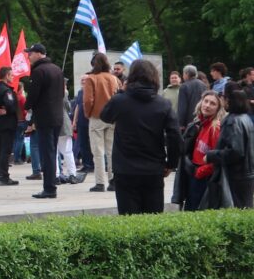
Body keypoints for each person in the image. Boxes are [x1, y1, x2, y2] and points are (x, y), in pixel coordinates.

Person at [100, 59, 182, 215]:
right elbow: (175, 136)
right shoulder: (163, 104)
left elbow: (105, 116)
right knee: (153, 218)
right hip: (153, 167)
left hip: (125, 167)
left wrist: (121, 92)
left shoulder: (120, 101)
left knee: (129, 218)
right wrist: (171, 163)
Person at [172, 91, 224, 211]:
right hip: (194, 174)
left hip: (204, 178)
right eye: (206, 101)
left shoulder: (215, 128)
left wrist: (199, 172)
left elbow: (217, 158)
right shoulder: (199, 124)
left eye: (212, 103)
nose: (207, 105)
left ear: (218, 109)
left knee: (195, 211)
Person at [24, 43, 64, 199]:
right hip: (57, 116)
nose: (28, 56)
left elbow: (33, 95)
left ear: (39, 53)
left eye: (30, 53)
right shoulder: (57, 69)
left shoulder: (39, 71)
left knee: (46, 153)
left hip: (45, 117)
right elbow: (61, 93)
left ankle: (49, 188)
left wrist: (27, 107)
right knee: (51, 152)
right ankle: (51, 185)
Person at [205, 88, 254, 208]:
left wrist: (211, 155)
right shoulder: (245, 118)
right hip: (247, 174)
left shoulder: (233, 121)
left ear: (229, 101)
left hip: (236, 175)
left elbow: (236, 151)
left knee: (236, 209)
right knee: (245, 208)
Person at [82, 52, 121, 192]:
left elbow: (88, 100)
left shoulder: (91, 79)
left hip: (97, 117)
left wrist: (88, 114)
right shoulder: (114, 78)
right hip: (113, 118)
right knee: (111, 151)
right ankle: (113, 180)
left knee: (97, 151)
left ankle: (100, 182)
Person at [0, 66, 19, 186]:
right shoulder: (6, 91)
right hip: (7, 124)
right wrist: (8, 110)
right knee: (5, 151)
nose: (13, 77)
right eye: (11, 75)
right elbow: (11, 104)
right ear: (6, 76)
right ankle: (4, 176)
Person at [177, 65, 207, 132]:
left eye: (183, 74)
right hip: (201, 120)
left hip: (189, 123)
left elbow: (182, 107)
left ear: (186, 74)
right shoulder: (203, 85)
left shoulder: (184, 86)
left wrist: (180, 124)